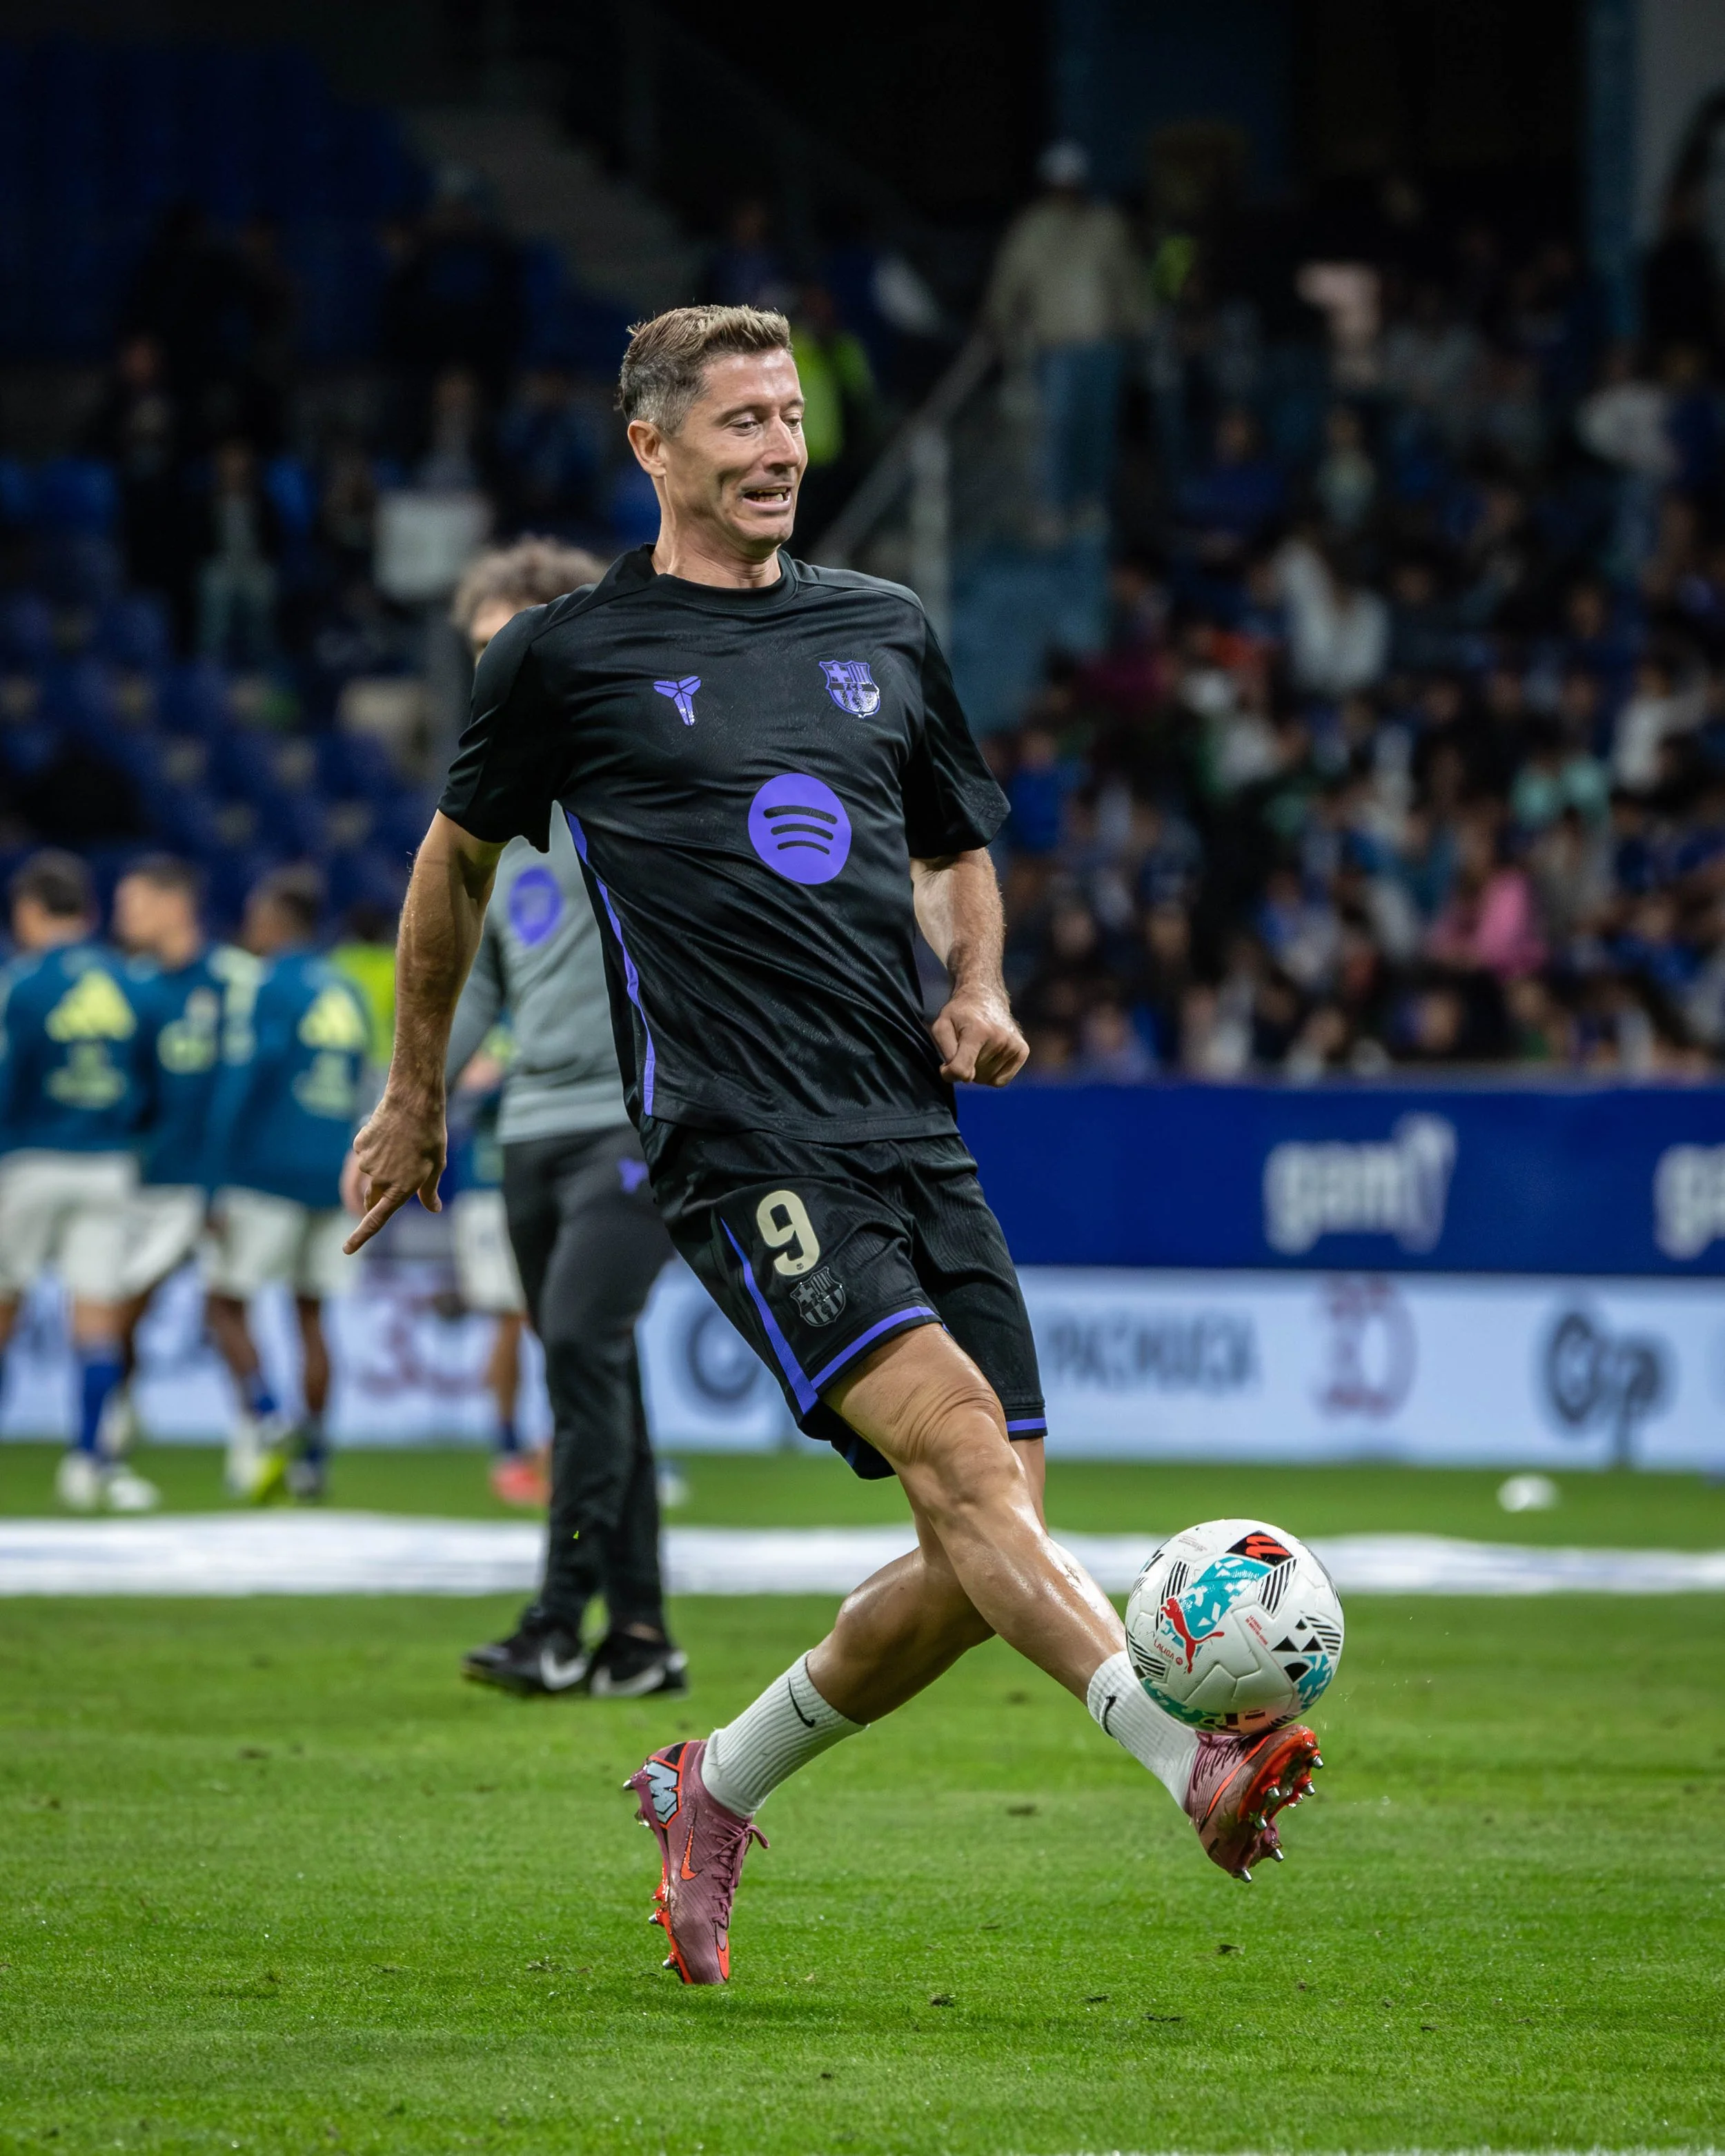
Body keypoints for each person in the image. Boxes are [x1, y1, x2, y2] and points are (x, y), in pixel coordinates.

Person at [346, 305, 1321, 1989]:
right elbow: (451, 866)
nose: (780, 447)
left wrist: (979, 985)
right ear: (653, 447)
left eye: (791, 416)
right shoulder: (564, 655)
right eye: (739, 422)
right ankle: (1190, 1756)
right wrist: (414, 1086)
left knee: (983, 1535)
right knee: (958, 1461)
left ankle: (708, 1784)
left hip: (906, 1118)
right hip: (739, 1136)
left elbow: (954, 848)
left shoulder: (884, 625)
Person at [438, 536, 684, 1699]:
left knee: (582, 1347)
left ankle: (555, 1618)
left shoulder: (657, 772)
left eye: (511, 649)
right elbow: (471, 978)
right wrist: (414, 1103)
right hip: (529, 1128)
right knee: (600, 1378)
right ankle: (641, 1638)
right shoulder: (488, 814)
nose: (496, 677)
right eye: (479, 657)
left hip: (639, 1123)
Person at [204, 868, 371, 1502]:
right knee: (312, 1317)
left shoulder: (267, 985)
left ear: (277, 920)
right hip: (334, 1175)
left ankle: (269, 1415)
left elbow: (244, 1080)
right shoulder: (347, 990)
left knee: (222, 1303)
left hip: (266, 1172)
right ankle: (315, 1460)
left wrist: (215, 1177)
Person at [0, 852, 157, 1512]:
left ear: (31, 910)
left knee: (5, 1308)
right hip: (108, 1164)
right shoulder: (131, 983)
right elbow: (152, 1079)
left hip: (32, 1160)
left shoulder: (22, 981)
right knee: (95, 1318)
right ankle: (90, 1459)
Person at [106, 855, 258, 1461]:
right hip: (157, 1176)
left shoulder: (236, 979)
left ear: (176, 905)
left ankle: (256, 1435)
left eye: (135, 904)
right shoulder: (129, 986)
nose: (125, 918)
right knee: (122, 1305)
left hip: (225, 1178)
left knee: (228, 1310)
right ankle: (111, 1419)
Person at [985, 142, 1143, 533]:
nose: (1066, 187)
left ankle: (1092, 505)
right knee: (1057, 430)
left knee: (1098, 430)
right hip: (1056, 346)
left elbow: (1127, 278)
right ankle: (1054, 509)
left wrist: (1144, 324)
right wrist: (998, 325)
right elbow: (1009, 282)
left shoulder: (1105, 223)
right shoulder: (1032, 227)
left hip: (1103, 344)